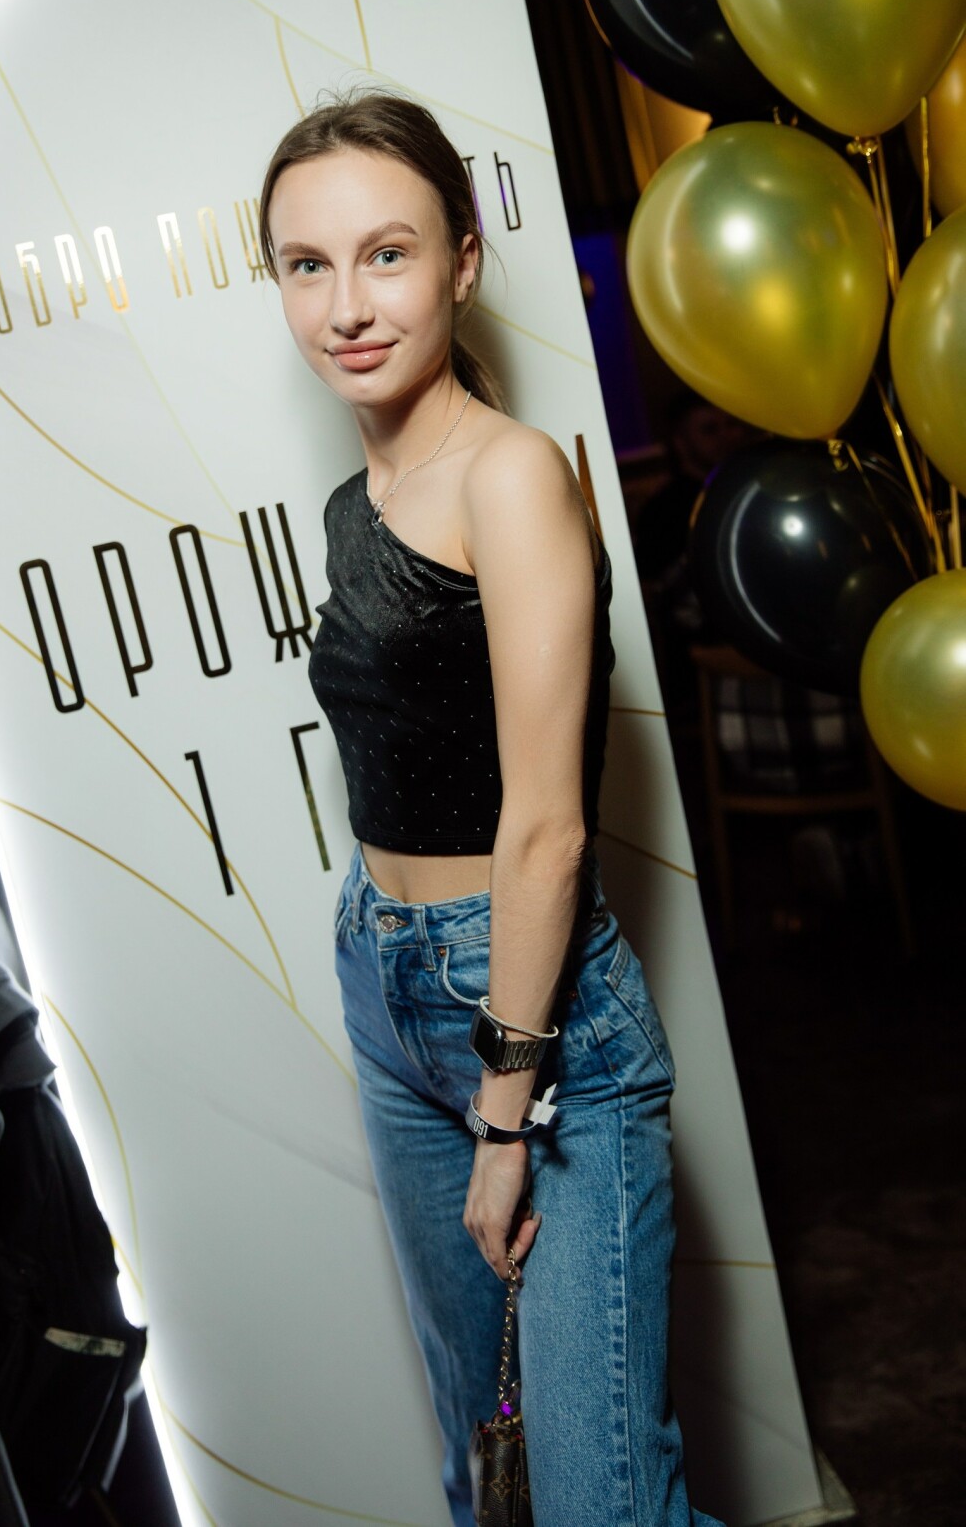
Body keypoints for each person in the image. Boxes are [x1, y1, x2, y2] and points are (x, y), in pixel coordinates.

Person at [259, 90, 722, 1527]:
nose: (346, 305)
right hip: (387, 986)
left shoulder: (512, 476)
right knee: (492, 1474)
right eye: (307, 265)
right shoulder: (360, 497)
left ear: (464, 260)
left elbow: (548, 828)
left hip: (534, 1018)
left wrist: (507, 1114)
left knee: (597, 1505)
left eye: (387, 255)